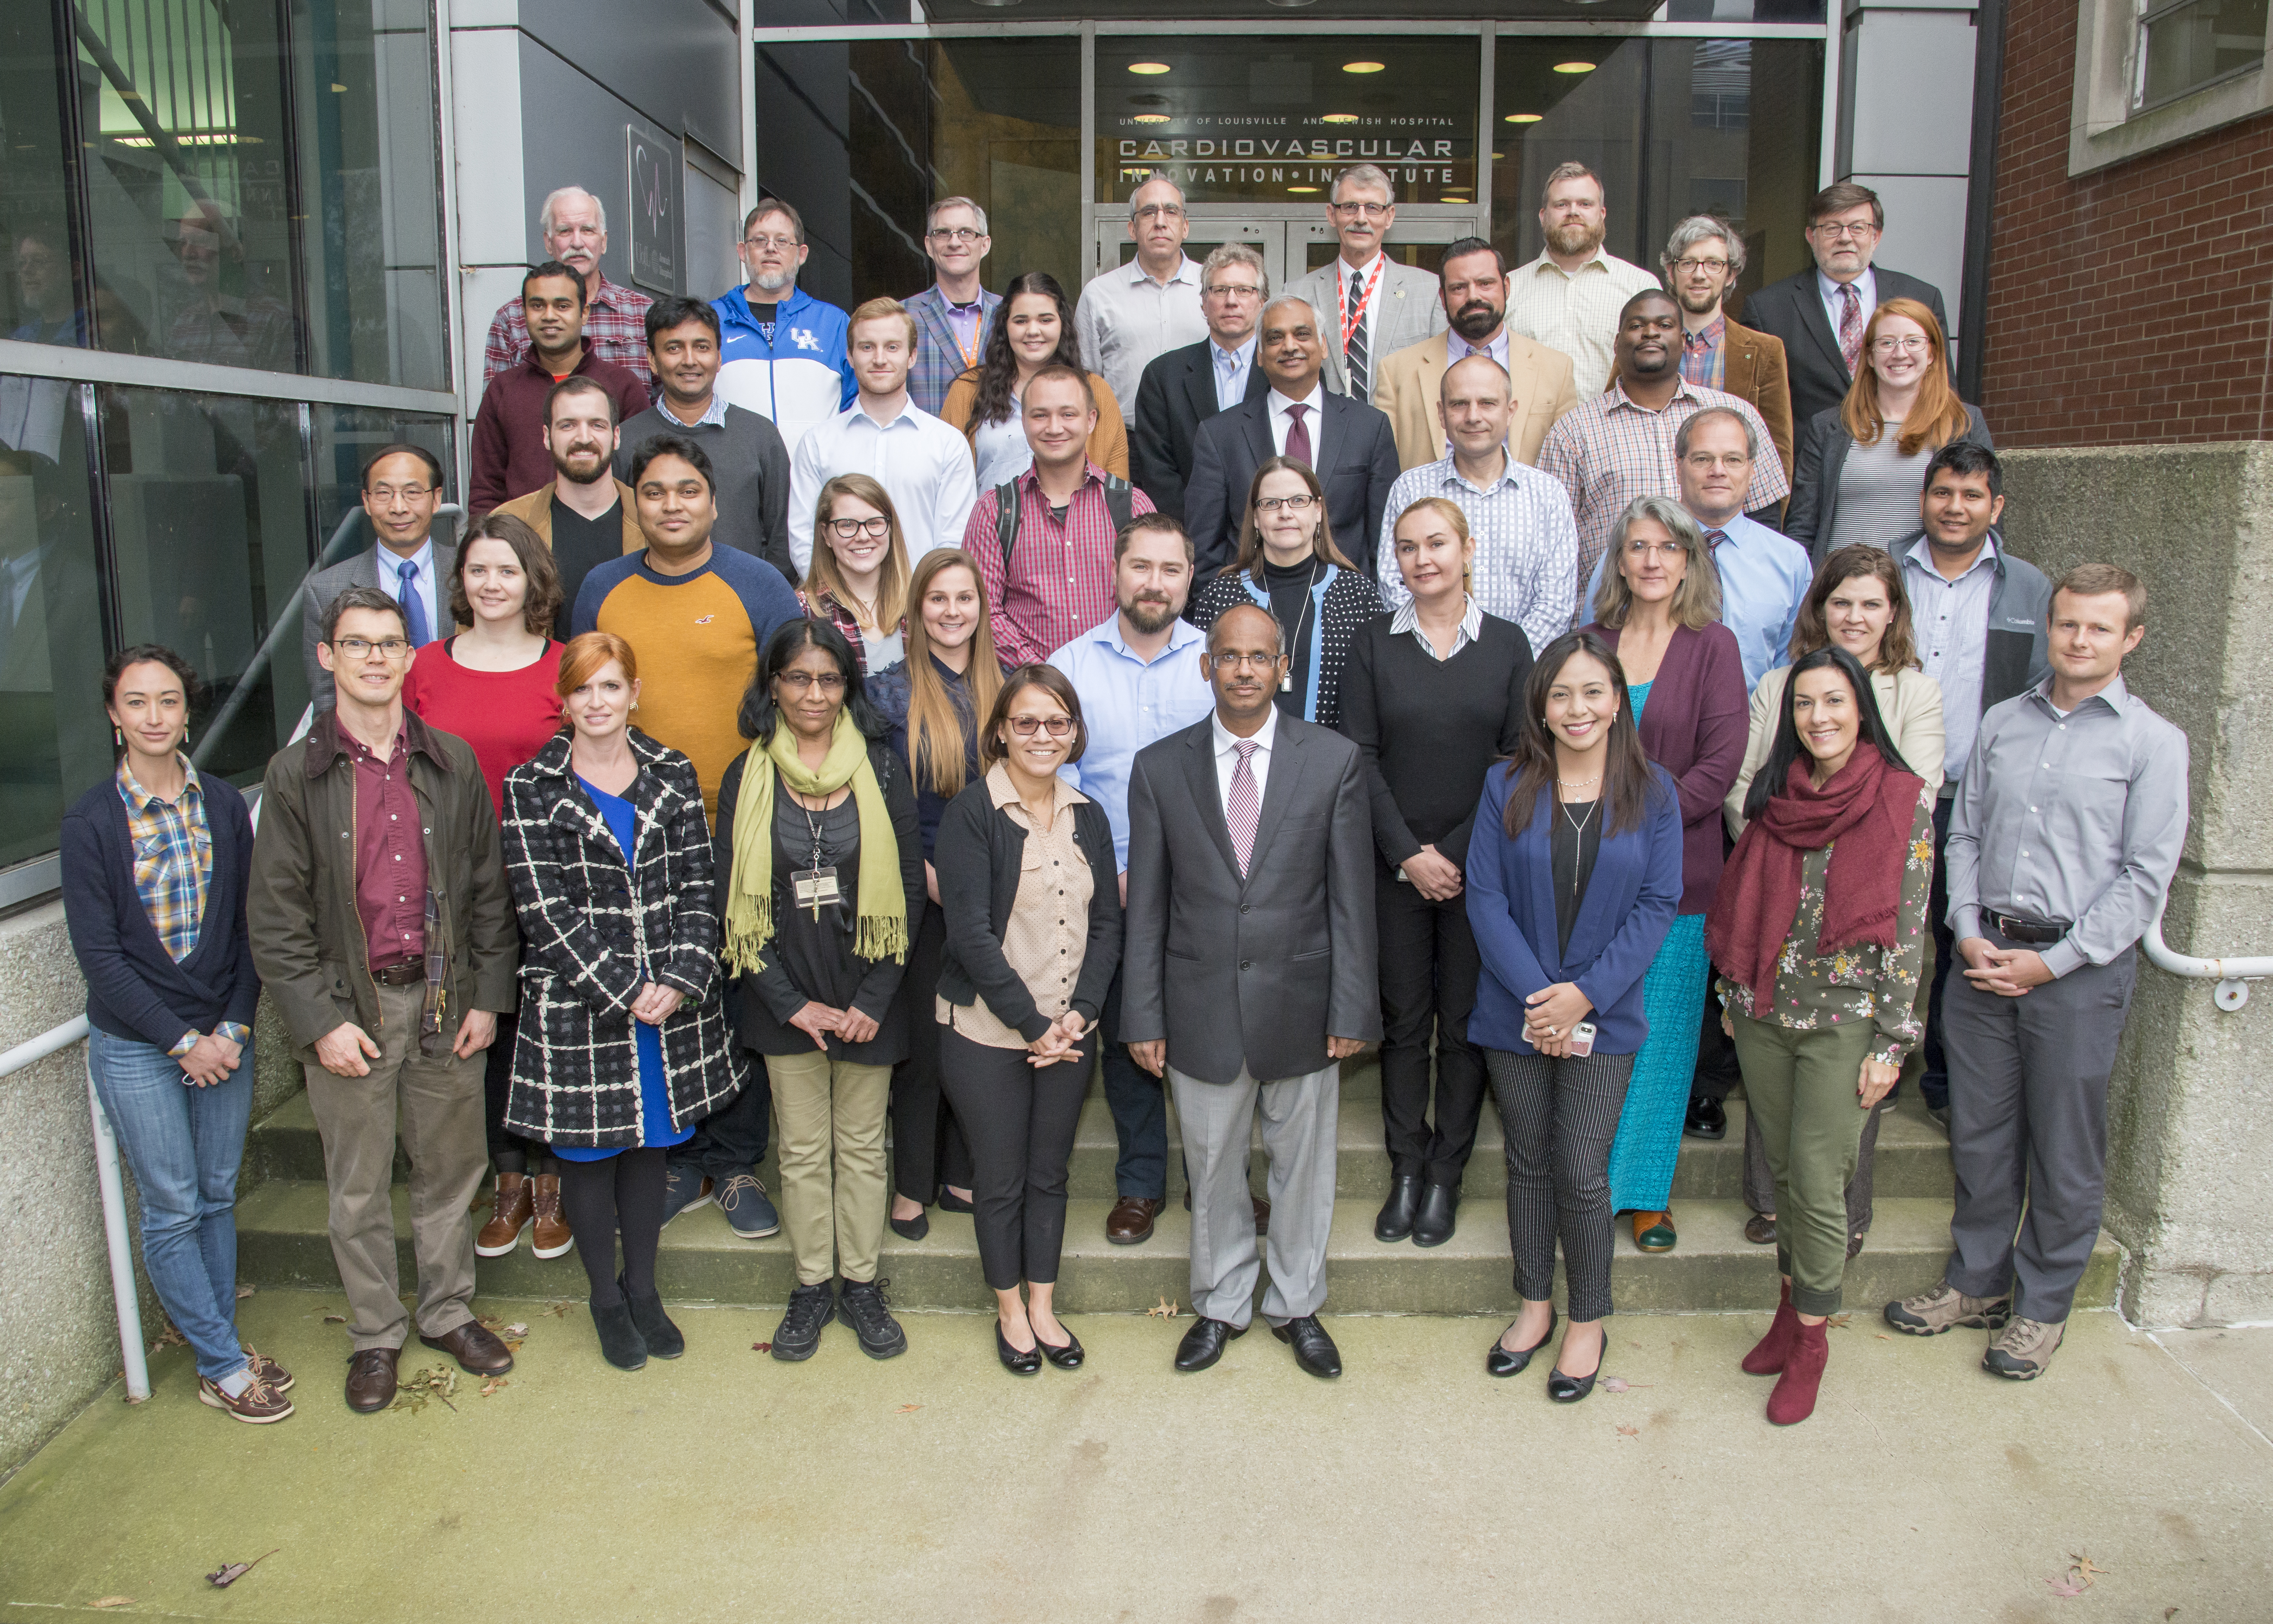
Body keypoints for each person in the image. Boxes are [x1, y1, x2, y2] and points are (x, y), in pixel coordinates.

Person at [1886, 565, 2186, 1380]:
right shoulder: (1999, 724)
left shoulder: (2151, 744)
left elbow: (2142, 876)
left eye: (2096, 628)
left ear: (2129, 638)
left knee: (2062, 1142)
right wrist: (1965, 927)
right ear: (2046, 627)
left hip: (2076, 972)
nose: (2077, 640)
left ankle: (2039, 1304)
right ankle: (1974, 1282)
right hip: (1983, 960)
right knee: (1980, 1135)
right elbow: (1962, 835)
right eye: (2065, 624)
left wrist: (2051, 961)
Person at [248, 586, 519, 1414]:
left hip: (444, 1000)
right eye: (355, 642)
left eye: (389, 642)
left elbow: (485, 888)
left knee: (448, 1169)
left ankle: (445, 1309)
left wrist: (485, 994)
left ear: (410, 657)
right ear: (327, 657)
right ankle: (375, 1331)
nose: (373, 656)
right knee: (359, 1184)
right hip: (351, 1010)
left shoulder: (450, 760)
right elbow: (276, 914)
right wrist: (319, 1020)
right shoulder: (296, 773)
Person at [1123, 602, 1378, 1380]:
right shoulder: (1160, 767)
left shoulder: (1332, 760)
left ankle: (1297, 1303)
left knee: (1304, 1167)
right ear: (1207, 665)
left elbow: (1351, 899)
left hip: (1303, 1004)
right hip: (1197, 1004)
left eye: (1258, 657)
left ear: (1282, 667)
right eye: (1228, 655)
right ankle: (1221, 1302)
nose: (1242, 669)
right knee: (1212, 1161)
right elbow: (1149, 906)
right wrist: (1142, 1011)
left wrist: (1351, 1006)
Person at [499, 632, 745, 1370]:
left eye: (610, 687)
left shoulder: (673, 770)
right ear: (564, 700)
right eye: (582, 690)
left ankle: (644, 1288)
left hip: (669, 1007)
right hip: (584, 1006)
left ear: (634, 692)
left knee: (650, 1152)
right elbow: (543, 910)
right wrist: (624, 987)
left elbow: (703, 886)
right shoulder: (531, 785)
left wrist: (682, 975)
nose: (597, 702)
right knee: (589, 1154)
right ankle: (605, 1298)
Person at [1708, 646, 1933, 1424]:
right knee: (1780, 1168)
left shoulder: (1904, 798)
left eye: (1834, 701)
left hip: (1845, 1022)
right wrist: (1732, 993)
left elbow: (1909, 927)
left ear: (1861, 707)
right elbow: (1746, 900)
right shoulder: (1779, 795)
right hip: (1768, 1012)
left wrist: (1893, 1042)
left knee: (1816, 1178)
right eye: (1804, 704)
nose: (1819, 717)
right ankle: (1786, 1311)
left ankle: (1811, 1340)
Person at [62, 647, 278, 1421]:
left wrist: (233, 1024)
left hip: (226, 1032)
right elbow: (103, 960)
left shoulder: (223, 804)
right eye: (137, 702)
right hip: (138, 1045)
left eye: (169, 700)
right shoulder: (92, 822)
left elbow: (253, 928)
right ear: (115, 716)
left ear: (188, 711)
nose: (155, 716)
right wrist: (185, 1042)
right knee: (174, 1202)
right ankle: (222, 1361)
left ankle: (215, 1337)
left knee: (218, 1194)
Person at [1466, 630, 1682, 1400]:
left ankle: (1587, 1318)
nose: (1577, 707)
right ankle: (1534, 1304)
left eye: (1592, 691)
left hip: (1606, 1014)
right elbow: (1484, 897)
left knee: (1583, 1172)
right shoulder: (1506, 784)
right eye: (1561, 693)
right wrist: (1539, 997)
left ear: (1618, 700)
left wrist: (1582, 996)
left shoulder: (1656, 793)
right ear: (1542, 706)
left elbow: (1659, 904)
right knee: (1525, 1161)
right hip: (1512, 1010)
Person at [716, 619, 923, 1362]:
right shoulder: (748, 775)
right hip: (786, 997)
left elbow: (907, 888)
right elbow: (730, 897)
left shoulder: (884, 767)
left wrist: (872, 1000)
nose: (813, 692)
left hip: (870, 991)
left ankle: (862, 1284)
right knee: (802, 1150)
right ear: (772, 683)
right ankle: (811, 1287)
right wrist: (786, 1001)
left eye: (828, 678)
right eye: (798, 677)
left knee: (863, 1148)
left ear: (848, 686)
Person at [1728, 545, 1945, 1253]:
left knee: (1842, 1100)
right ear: (1819, 607)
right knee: (1774, 1079)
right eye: (1840, 601)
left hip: (1864, 918)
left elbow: (1916, 796)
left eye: (1870, 603)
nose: (1854, 615)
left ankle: (1837, 1217)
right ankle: (1773, 1202)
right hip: (1776, 900)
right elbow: (1749, 787)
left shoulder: (1914, 691)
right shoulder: (1780, 682)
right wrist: (1785, 845)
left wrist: (1834, 840)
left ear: (1893, 614)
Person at [1340, 498, 1532, 1248]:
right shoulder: (1372, 645)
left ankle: (1448, 1173)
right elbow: (1359, 756)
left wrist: (1451, 852)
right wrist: (1408, 854)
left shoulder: (1510, 645)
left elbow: (1516, 759)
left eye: (1438, 544)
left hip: (1480, 872)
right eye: (1409, 547)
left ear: (1468, 548)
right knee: (1402, 1024)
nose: (1424, 559)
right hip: (1394, 868)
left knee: (1462, 1025)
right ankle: (1407, 1168)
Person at [934, 666, 1122, 1373]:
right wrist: (1031, 1023)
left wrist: (1081, 1014)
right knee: (1003, 1175)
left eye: (1056, 722)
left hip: (1070, 1031)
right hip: (987, 1030)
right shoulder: (973, 813)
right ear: (1002, 731)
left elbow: (1108, 927)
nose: (1042, 735)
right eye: (1027, 722)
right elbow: (970, 933)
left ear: (1074, 732)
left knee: (1050, 1173)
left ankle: (1044, 1305)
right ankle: (1009, 1311)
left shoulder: (1090, 815)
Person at [402, 514, 569, 1264]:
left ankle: (557, 1178)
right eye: (478, 571)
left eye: (507, 570)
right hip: (459, 884)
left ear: (533, 580)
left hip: (555, 877)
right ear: (460, 582)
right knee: (488, 1029)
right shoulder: (425, 669)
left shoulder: (563, 666)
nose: (492, 583)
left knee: (557, 1028)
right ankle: (507, 1177)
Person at [1581, 498, 1747, 1253]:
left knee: (1663, 1031)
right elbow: (1558, 745)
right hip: (1587, 876)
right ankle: (1585, 1182)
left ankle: (1646, 1192)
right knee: (1594, 1029)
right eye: (1638, 546)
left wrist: (1637, 823)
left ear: (1689, 561)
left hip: (1680, 877)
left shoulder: (1714, 648)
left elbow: (1719, 766)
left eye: (1667, 547)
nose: (1652, 560)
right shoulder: (1587, 644)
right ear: (1618, 560)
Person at [1047, 514, 1217, 1245]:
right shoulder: (1072, 666)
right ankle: (1141, 1183)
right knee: (1127, 1037)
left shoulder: (1218, 661)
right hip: (1106, 892)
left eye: (1170, 569)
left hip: (1207, 889)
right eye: (1141, 567)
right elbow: (1057, 784)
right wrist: (1107, 873)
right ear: (1115, 572)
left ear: (1189, 578)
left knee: (1215, 1037)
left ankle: (1222, 1184)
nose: (1155, 582)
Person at [1895, 443, 2049, 1126]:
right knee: (1880, 931)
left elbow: (2040, 690)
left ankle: (1944, 1082)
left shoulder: (2028, 588)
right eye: (1942, 493)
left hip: (1973, 798)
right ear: (1924, 498)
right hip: (1888, 789)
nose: (1955, 508)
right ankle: (1875, 1066)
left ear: (1996, 506)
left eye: (1971, 495)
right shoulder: (1887, 570)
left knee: (1959, 936)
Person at [570, 436, 803, 818]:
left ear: (713, 505)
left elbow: (799, 700)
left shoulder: (761, 585)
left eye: (689, 491)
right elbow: (579, 702)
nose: (672, 505)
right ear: (636, 505)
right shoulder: (601, 588)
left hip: (745, 813)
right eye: (654, 493)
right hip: (625, 813)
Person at [883, 548, 1001, 1240]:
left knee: (981, 1041)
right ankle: (909, 1188)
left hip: (992, 896)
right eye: (938, 599)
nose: (953, 611)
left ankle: (960, 1171)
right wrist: (936, 885)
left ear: (981, 608)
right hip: (921, 894)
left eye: (965, 598)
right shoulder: (889, 693)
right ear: (916, 610)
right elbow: (891, 806)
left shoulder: (1006, 687)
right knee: (926, 1047)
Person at [1538, 290, 1790, 612]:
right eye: (1637, 325)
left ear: (1683, 341)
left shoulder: (1733, 415)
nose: (1651, 332)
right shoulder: (1574, 431)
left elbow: (1764, 516)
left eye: (1665, 324)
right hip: (1617, 615)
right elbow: (1553, 542)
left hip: (1725, 608)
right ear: (1616, 344)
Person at [1582, 405, 1813, 691]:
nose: (1718, 471)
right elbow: (1593, 649)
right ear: (1678, 466)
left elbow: (1790, 669)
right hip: (1644, 725)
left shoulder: (1789, 561)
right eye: (1703, 459)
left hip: (1756, 726)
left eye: (1733, 460)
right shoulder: (1635, 555)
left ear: (1752, 469)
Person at [1184, 297, 1402, 579]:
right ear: (1260, 356)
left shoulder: (1370, 427)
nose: (1289, 346)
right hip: (1249, 608)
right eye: (1275, 338)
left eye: (1302, 334)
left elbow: (1385, 542)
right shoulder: (1220, 435)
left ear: (1323, 346)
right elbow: (1203, 548)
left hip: (1347, 606)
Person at [1380, 355, 1580, 654]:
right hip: (1428, 667)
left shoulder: (1547, 495)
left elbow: (1555, 604)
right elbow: (1392, 584)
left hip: (1520, 677)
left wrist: (1504, 665)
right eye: (1459, 404)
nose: (1473, 416)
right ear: (1441, 414)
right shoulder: (1410, 489)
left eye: (1487, 403)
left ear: (1510, 411)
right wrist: (1442, 656)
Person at [964, 364, 1156, 669]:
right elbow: (984, 609)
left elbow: (1150, 598)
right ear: (1024, 422)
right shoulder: (995, 511)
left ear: (1091, 420)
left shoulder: (1131, 506)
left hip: (1118, 681)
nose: (1054, 428)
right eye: (1040, 415)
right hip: (1027, 693)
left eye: (1068, 414)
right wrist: (1042, 673)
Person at [1788, 299, 1993, 565]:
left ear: (1932, 354)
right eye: (1886, 343)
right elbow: (1802, 526)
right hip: (1840, 590)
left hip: (1922, 590)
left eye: (1913, 342)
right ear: (1870, 357)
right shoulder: (1830, 427)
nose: (1899, 354)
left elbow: (1984, 519)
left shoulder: (1964, 424)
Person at [1734, 182, 1952, 429]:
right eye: (1831, 228)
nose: (1845, 238)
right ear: (1810, 236)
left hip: (1906, 453)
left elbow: (1943, 388)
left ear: (1876, 236)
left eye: (1857, 228)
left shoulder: (1921, 297)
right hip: (1809, 463)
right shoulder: (1768, 308)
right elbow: (1754, 409)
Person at [1186, 457, 1381, 731]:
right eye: (1271, 503)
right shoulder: (1220, 595)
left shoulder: (1358, 594)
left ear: (1318, 510)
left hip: (1332, 763)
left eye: (1298, 501)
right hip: (1241, 760)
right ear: (1255, 517)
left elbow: (1375, 697)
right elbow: (1198, 689)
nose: (1285, 513)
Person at [786, 297, 977, 574]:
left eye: (892, 347)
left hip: (918, 610)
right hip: (840, 611)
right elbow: (805, 541)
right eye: (867, 347)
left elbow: (953, 545)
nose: (879, 359)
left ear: (912, 356)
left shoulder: (947, 444)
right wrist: (839, 607)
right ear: (850, 356)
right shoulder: (817, 443)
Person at [613, 297, 794, 583]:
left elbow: (783, 534)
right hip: (651, 600)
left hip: (744, 602)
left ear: (719, 357)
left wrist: (765, 594)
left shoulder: (760, 435)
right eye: (674, 348)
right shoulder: (625, 441)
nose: (689, 360)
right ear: (652, 360)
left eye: (702, 347)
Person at [1373, 238, 1577, 474]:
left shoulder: (1556, 369)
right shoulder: (1396, 371)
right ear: (1442, 297)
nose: (1473, 297)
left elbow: (1567, 470)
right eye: (1459, 287)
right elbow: (1384, 471)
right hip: (1429, 507)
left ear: (1506, 287)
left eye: (1485, 284)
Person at [469, 262, 648, 514]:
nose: (549, 315)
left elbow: (645, 478)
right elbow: (485, 489)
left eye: (562, 306)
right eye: (538, 305)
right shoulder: (504, 389)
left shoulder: (622, 385)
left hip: (612, 542)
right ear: (524, 313)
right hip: (523, 542)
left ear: (584, 313)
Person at [941, 271, 1130, 493]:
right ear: (1005, 326)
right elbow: (948, 484)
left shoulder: (1095, 391)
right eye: (1021, 321)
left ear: (1063, 325)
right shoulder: (968, 391)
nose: (1033, 331)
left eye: (1046, 320)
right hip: (990, 525)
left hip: (1080, 526)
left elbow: (1118, 490)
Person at [301, 444, 458, 709]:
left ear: (436, 499)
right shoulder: (324, 590)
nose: (398, 507)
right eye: (384, 493)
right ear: (366, 501)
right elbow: (328, 698)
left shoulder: (470, 575)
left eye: (412, 493)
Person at [1130, 244, 1272, 524]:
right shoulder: (1162, 377)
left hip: (1272, 535)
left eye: (1244, 290)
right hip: (1188, 536)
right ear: (1203, 303)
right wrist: (1196, 534)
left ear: (1263, 303)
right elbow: (1158, 472)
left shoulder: (1286, 374)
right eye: (1220, 290)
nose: (1232, 301)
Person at [1284, 165, 1445, 405]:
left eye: (1372, 208)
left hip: (1398, 437)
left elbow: (1441, 380)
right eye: (1350, 207)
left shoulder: (1430, 292)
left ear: (1389, 216)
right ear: (1331, 214)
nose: (1361, 219)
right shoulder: (1297, 294)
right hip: (1326, 437)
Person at [495, 377, 641, 638]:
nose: (583, 438)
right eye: (568, 425)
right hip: (541, 677)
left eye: (597, 425)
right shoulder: (510, 523)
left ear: (616, 436)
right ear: (547, 437)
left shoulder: (652, 518)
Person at [1505, 163, 1663, 400]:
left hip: (1613, 432)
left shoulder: (1639, 287)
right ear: (1542, 216)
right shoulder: (1509, 289)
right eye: (1561, 204)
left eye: (1585, 204)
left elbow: (1658, 372)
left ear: (1602, 214)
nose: (1573, 212)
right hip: (1531, 435)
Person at [713, 198, 856, 458]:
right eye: (760, 240)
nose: (770, 249)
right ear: (743, 252)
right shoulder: (711, 319)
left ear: (801, 254)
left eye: (782, 241)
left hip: (817, 483)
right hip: (733, 484)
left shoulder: (834, 323)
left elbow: (857, 406)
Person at [1660, 215, 1795, 483]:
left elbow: (1778, 451)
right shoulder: (1644, 345)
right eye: (1687, 263)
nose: (1699, 275)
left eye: (1713, 264)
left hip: (1730, 508)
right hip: (1657, 505)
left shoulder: (1764, 351)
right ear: (1670, 273)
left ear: (1731, 273)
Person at [481, 187, 654, 394]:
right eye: (565, 231)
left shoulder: (643, 312)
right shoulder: (511, 319)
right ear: (548, 243)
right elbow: (496, 408)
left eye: (588, 230)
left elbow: (666, 407)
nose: (577, 242)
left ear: (604, 241)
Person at [1074, 174, 1206, 412]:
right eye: (1148, 212)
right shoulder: (1099, 294)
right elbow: (1085, 382)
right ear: (1132, 229)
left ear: (1185, 227)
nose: (1160, 222)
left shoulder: (1213, 288)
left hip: (1200, 439)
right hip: (1125, 442)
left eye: (1171, 211)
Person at [802, 473, 912, 681]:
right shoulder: (802, 611)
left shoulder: (920, 604)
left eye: (875, 523)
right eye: (847, 525)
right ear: (826, 535)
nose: (863, 536)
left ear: (890, 529)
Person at [904, 198, 1002, 416]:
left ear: (985, 245)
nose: (955, 242)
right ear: (929, 245)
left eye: (966, 232)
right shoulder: (903, 316)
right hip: (929, 449)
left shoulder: (1010, 313)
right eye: (943, 233)